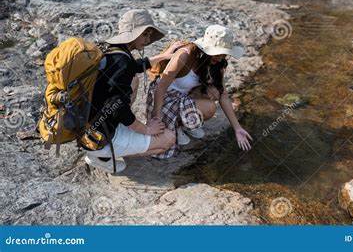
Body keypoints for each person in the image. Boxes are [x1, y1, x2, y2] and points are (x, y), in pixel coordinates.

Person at [84, 9, 184, 173]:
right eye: (145, 34)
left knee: (134, 80)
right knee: (168, 139)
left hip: (88, 124)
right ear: (134, 33)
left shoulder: (108, 49)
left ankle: (105, 148)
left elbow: (132, 67)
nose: (148, 39)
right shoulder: (122, 60)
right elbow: (118, 108)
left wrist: (162, 56)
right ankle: (101, 157)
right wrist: (146, 129)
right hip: (102, 135)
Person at [146, 25, 253, 158]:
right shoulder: (185, 54)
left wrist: (237, 128)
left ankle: (182, 125)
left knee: (214, 92)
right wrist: (157, 119)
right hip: (164, 97)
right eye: (218, 53)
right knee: (210, 107)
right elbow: (160, 88)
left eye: (224, 54)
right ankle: (176, 125)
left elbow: (223, 94)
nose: (220, 58)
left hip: (184, 96)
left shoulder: (218, 62)